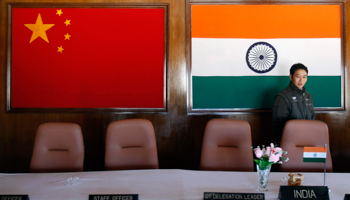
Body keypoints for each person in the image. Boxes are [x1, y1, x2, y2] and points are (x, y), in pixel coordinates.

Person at [272, 63, 315, 144]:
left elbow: (312, 119)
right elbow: (278, 127)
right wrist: (285, 144)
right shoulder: (282, 97)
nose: (301, 80)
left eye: (304, 77)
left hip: (308, 139)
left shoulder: (308, 96)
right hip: (291, 142)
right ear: (291, 76)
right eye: (298, 76)